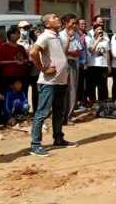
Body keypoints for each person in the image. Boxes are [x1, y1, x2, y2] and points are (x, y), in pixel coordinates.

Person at [30, 13, 77, 157]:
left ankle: (58, 138)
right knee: (42, 112)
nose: (57, 19)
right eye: (54, 18)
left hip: (60, 81)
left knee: (59, 111)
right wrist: (43, 68)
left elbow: (61, 54)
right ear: (47, 24)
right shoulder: (45, 36)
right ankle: (35, 145)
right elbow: (33, 52)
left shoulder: (57, 36)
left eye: (58, 17)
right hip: (48, 82)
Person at [59, 14, 83, 124]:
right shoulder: (60, 35)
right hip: (63, 63)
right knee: (63, 90)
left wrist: (70, 52)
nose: (74, 25)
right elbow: (62, 52)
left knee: (73, 89)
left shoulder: (77, 35)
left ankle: (68, 115)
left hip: (73, 63)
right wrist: (69, 50)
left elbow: (78, 51)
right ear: (66, 23)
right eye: (72, 23)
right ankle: (61, 116)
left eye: (75, 23)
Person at [0, 26, 29, 94]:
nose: (17, 35)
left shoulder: (21, 47)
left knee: (22, 96)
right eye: (15, 33)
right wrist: (14, 62)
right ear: (9, 35)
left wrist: (24, 61)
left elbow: (26, 59)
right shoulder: (2, 47)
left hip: (21, 75)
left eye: (18, 33)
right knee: (10, 95)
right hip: (8, 76)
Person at [17, 21, 39, 113]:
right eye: (24, 28)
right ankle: (24, 111)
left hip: (33, 68)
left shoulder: (32, 40)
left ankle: (36, 110)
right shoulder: (17, 42)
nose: (26, 30)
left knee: (36, 90)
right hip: (23, 70)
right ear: (19, 29)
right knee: (24, 90)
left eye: (28, 28)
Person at [86, 24, 110, 104]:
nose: (100, 31)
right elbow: (91, 50)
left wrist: (108, 65)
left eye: (101, 29)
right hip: (93, 65)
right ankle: (92, 101)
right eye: (98, 29)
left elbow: (107, 53)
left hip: (103, 65)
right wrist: (98, 40)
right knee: (92, 85)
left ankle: (102, 101)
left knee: (103, 85)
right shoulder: (90, 39)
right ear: (94, 31)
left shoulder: (106, 40)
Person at [76, 19, 88, 110]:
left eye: (85, 23)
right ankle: (77, 102)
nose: (83, 25)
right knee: (78, 85)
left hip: (86, 63)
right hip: (78, 63)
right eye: (81, 24)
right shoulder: (76, 36)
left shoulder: (87, 35)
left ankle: (83, 102)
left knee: (85, 84)